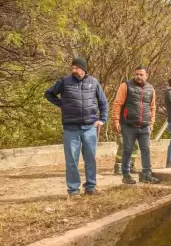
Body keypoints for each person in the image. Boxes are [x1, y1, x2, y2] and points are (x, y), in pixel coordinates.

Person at [44, 57, 108, 198]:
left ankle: (91, 187)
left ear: (83, 69)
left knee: (90, 159)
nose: (74, 70)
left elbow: (103, 102)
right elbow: (48, 94)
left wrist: (102, 120)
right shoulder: (65, 81)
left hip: (90, 127)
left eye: (76, 68)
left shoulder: (93, 82)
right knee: (72, 160)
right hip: (70, 128)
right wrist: (63, 105)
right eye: (72, 68)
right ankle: (73, 190)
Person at [111, 66, 160, 185]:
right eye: (136, 74)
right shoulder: (125, 86)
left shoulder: (150, 89)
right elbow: (117, 104)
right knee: (127, 150)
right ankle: (126, 176)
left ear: (146, 76)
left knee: (146, 150)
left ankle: (147, 175)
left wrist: (151, 123)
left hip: (145, 126)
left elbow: (152, 107)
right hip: (128, 125)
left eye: (141, 74)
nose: (138, 76)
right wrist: (116, 121)